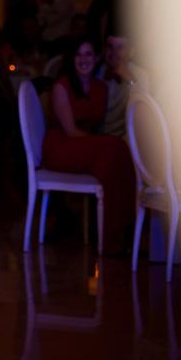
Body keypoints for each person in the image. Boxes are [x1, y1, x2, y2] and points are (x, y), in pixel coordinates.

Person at [42, 37, 135, 254]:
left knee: (115, 157)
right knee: (114, 147)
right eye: (78, 54)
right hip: (62, 147)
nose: (83, 59)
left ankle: (116, 235)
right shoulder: (62, 86)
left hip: (84, 147)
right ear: (72, 59)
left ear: (96, 58)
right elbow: (70, 131)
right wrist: (103, 142)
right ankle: (116, 235)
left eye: (88, 54)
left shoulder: (100, 87)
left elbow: (100, 125)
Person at [95, 33, 150, 137]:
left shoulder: (140, 74)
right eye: (109, 46)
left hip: (125, 136)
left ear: (131, 52)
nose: (113, 52)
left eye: (120, 47)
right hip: (97, 134)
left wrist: (130, 79)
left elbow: (143, 111)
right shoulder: (96, 70)